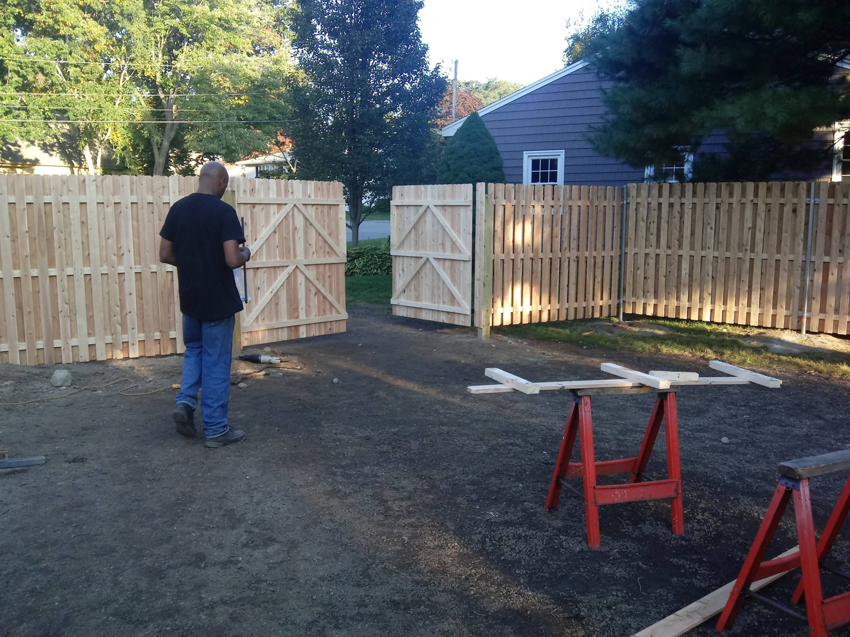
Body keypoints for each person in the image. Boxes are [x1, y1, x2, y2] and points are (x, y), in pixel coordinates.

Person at [159, 161, 251, 448]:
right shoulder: (224, 212)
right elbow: (231, 259)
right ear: (221, 181)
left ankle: (185, 403)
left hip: (190, 298)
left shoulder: (178, 208)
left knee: (195, 351)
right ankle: (215, 430)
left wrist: (191, 262)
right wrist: (245, 253)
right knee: (216, 362)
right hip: (217, 301)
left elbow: (164, 254)